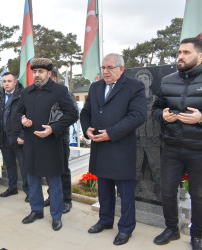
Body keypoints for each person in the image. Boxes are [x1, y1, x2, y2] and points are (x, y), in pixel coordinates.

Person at [80, 53, 146, 245]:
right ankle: (105, 220)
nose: (105, 72)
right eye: (103, 68)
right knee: (104, 190)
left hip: (120, 148)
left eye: (110, 68)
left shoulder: (134, 87)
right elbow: (86, 113)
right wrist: (87, 129)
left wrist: (111, 133)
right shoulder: (95, 87)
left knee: (125, 193)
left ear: (121, 69)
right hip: (100, 147)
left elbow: (137, 116)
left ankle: (126, 228)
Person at [152, 37, 202, 250]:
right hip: (172, 147)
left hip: (199, 149)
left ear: (200, 56)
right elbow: (155, 109)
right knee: (167, 191)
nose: (180, 56)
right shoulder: (168, 81)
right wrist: (163, 115)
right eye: (179, 52)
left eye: (186, 53)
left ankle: (197, 235)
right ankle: (172, 228)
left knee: (198, 195)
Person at [19, 58, 78, 231]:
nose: (37, 75)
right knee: (33, 180)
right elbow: (18, 113)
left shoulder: (60, 91)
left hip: (51, 144)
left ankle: (56, 216)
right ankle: (36, 210)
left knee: (54, 183)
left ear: (49, 73)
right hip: (31, 143)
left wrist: (53, 129)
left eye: (41, 72)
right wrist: (22, 120)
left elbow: (72, 114)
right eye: (35, 72)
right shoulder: (26, 92)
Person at [0, 72, 29, 201]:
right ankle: (12, 188)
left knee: (24, 166)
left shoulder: (23, 96)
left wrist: (23, 136)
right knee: (10, 165)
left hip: (19, 138)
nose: (6, 83)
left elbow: (29, 116)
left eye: (9, 81)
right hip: (4, 138)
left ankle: (29, 191)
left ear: (15, 82)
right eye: (4, 81)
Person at [43, 69, 77, 213]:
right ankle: (53, 196)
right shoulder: (42, 95)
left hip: (60, 137)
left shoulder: (65, 94)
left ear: (53, 78)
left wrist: (55, 127)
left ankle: (66, 200)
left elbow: (72, 114)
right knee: (49, 169)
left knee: (63, 169)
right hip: (45, 138)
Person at [134, 69, 161, 201]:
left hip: (153, 141)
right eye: (140, 79)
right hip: (136, 141)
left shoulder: (158, 100)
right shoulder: (132, 101)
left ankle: (159, 194)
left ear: (150, 81)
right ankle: (137, 192)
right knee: (135, 168)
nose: (143, 82)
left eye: (145, 78)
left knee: (157, 168)